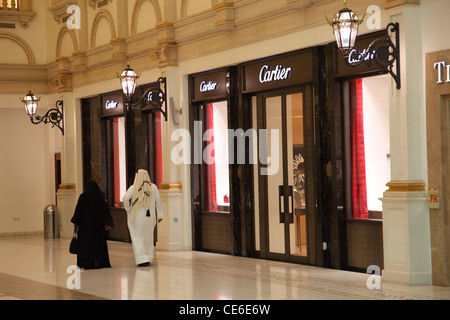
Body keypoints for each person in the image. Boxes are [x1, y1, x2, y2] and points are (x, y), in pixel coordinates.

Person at [123, 169, 164, 267]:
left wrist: (128, 209)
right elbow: (158, 202)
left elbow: (125, 198)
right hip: (150, 217)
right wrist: (160, 215)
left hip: (137, 217)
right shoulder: (153, 187)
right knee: (149, 237)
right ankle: (148, 257)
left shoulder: (134, 188)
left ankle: (141, 259)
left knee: (138, 237)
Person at [71, 180, 114, 269]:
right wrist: (107, 223)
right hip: (98, 226)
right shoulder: (100, 196)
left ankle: (86, 263)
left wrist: (75, 222)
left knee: (85, 246)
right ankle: (99, 262)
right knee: (98, 245)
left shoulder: (83, 197)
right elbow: (105, 211)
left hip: (85, 227)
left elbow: (78, 211)